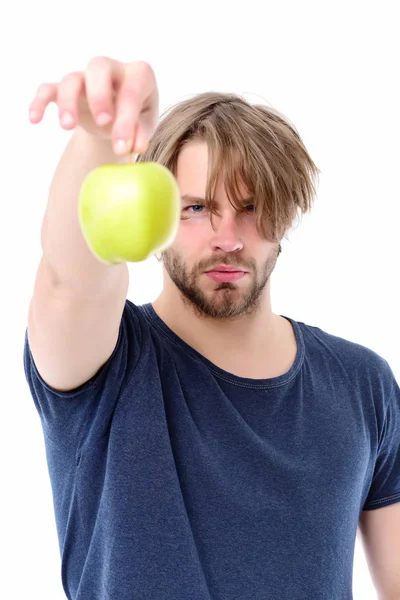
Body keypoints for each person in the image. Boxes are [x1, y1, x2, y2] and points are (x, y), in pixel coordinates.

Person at [23, 57, 400, 600]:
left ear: (286, 216)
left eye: (251, 208)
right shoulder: (106, 367)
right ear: (156, 217)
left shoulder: (362, 384)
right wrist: (98, 140)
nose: (227, 238)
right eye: (196, 208)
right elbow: (67, 284)